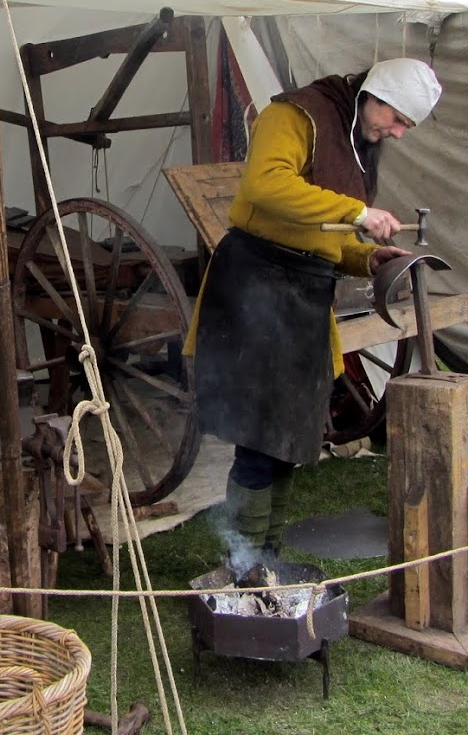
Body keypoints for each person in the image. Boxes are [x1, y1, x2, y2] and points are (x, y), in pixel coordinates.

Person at [185, 57, 443, 564]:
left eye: (405, 127)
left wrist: (368, 256)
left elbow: (325, 238)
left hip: (304, 294)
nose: (397, 134)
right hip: (256, 286)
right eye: (396, 120)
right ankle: (243, 559)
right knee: (259, 439)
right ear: (376, 93)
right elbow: (266, 185)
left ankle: (264, 553)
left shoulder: (358, 141)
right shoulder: (296, 114)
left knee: (287, 439)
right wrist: (357, 212)